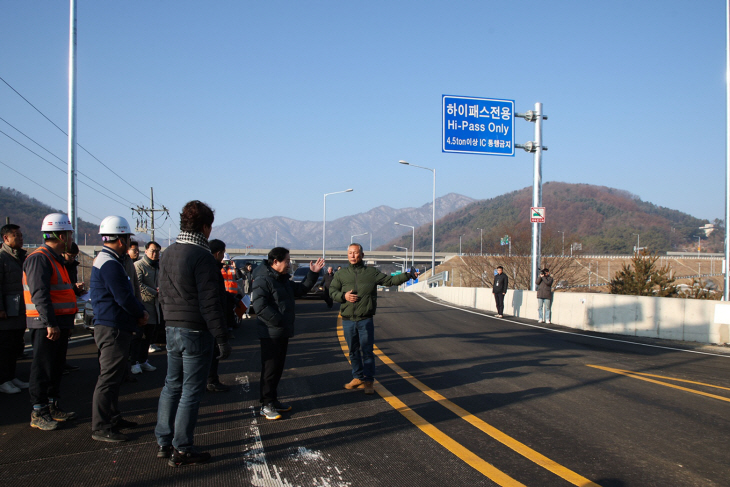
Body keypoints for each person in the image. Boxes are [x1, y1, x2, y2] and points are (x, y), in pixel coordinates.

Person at [155, 200, 231, 467]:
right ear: (205, 227)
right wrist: (221, 336)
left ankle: (164, 441)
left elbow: (161, 294)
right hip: (195, 330)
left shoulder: (168, 252)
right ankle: (183, 448)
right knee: (191, 391)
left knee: (171, 385)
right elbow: (210, 303)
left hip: (172, 327)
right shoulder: (203, 258)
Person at [90, 216, 149, 442]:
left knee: (115, 377)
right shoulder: (110, 263)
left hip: (114, 325)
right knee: (108, 379)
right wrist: (141, 313)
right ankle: (101, 426)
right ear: (122, 239)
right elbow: (123, 296)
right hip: (112, 326)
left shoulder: (108, 259)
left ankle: (113, 417)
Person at [329, 243, 416, 395]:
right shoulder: (341, 274)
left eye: (356, 253)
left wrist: (408, 275)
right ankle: (357, 378)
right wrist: (344, 296)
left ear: (362, 255)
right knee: (352, 351)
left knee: (367, 351)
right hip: (348, 319)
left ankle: (368, 381)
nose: (353, 255)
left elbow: (390, 281)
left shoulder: (371, 272)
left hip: (365, 319)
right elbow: (332, 291)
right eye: (350, 253)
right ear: (347, 255)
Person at [251, 247, 324, 420]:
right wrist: (279, 321)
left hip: (281, 331)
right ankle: (266, 404)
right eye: (287, 261)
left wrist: (312, 274)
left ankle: (273, 400)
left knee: (277, 368)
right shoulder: (263, 279)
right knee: (269, 370)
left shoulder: (282, 280)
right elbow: (259, 306)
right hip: (270, 332)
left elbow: (300, 290)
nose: (289, 264)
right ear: (275, 262)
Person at [23, 213, 78, 431]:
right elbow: (40, 294)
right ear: (61, 234)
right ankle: (39, 411)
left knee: (55, 366)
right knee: (42, 367)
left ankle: (52, 405)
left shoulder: (55, 259)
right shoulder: (40, 258)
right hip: (46, 324)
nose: (71, 237)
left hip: (59, 322)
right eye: (69, 233)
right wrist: (50, 323)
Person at [0, 224, 28, 394]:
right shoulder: (2, 258)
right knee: (5, 346)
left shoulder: (20, 257)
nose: (20, 238)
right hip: (6, 311)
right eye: (16, 235)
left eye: (21, 234)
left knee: (15, 346)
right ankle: (3, 380)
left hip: (18, 309)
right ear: (6, 238)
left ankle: (11, 377)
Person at [207, 239, 234, 393]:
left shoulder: (211, 267)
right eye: (223, 253)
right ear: (218, 253)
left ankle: (210, 379)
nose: (223, 256)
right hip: (213, 317)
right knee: (213, 351)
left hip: (213, 315)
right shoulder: (212, 269)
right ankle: (211, 380)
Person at [131, 241, 162, 374]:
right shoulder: (139, 265)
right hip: (142, 305)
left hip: (155, 306)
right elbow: (138, 284)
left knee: (148, 336)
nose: (155, 254)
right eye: (152, 251)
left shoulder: (158, 267)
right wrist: (155, 291)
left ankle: (143, 361)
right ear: (146, 251)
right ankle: (134, 362)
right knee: (138, 336)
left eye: (157, 251)